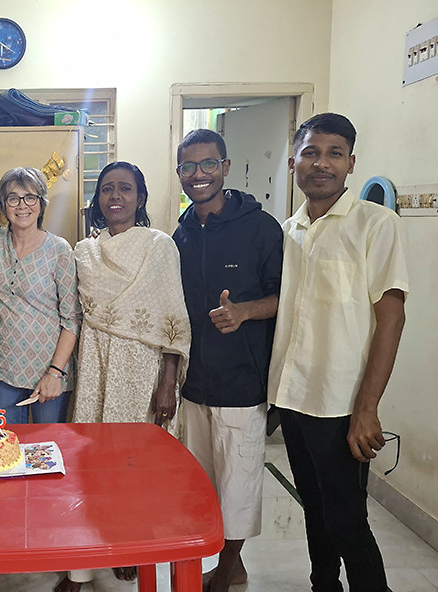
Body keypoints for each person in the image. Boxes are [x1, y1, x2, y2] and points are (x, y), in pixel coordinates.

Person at [268, 113, 408, 591]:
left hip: (340, 403)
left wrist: (367, 408)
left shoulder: (375, 224)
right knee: (315, 508)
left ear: (351, 163)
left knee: (347, 519)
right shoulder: (290, 229)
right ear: (294, 163)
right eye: (310, 153)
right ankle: (323, 584)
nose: (321, 163)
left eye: (334, 153)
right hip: (293, 396)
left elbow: (391, 318)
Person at [56, 161, 191, 592]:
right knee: (90, 466)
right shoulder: (84, 251)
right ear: (97, 199)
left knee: (136, 468)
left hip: (141, 373)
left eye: (125, 189)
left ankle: (132, 548)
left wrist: (168, 384)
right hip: (96, 370)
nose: (115, 196)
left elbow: (173, 319)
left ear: (141, 197)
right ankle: (80, 566)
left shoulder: (160, 246)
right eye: (107, 189)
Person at [172, 129, 283, 592]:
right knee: (202, 483)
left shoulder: (261, 228)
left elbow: (287, 297)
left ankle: (227, 570)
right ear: (179, 173)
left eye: (208, 164)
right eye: (188, 166)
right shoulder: (180, 233)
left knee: (239, 483)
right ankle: (225, 565)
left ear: (226, 167)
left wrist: (245, 312)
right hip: (194, 382)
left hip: (242, 381)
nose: (198, 174)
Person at [0, 167, 81, 423]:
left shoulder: (59, 250)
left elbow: (72, 319)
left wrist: (55, 372)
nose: (22, 205)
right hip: (3, 369)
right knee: (9, 442)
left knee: (47, 444)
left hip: (49, 372)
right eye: (13, 198)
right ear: (4, 205)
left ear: (41, 203)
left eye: (30, 197)